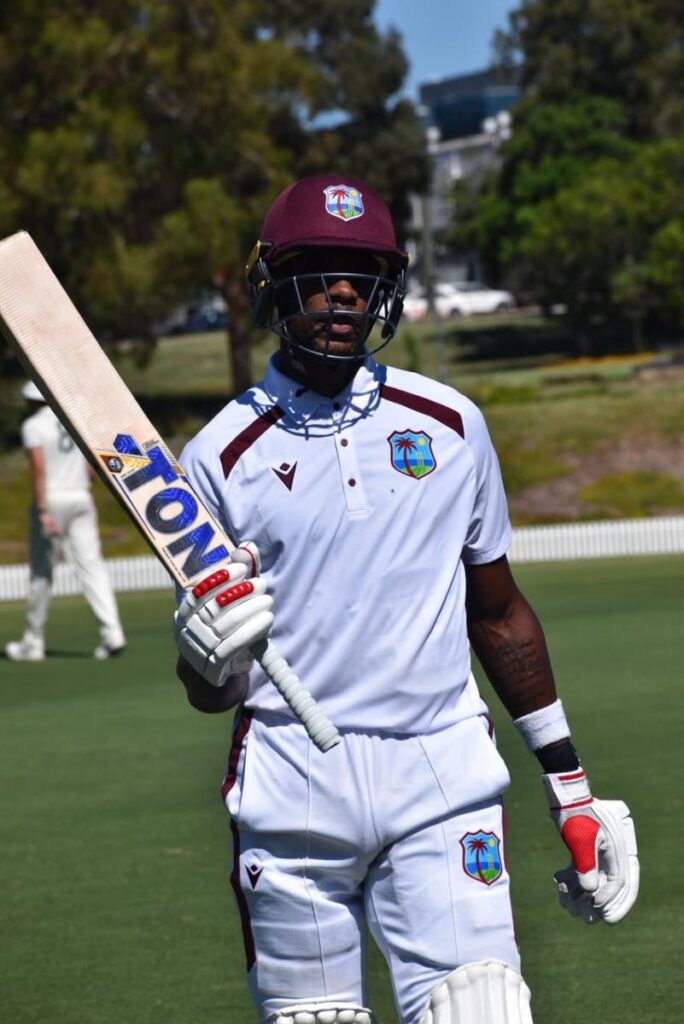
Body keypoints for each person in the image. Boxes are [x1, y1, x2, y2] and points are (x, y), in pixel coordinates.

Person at [172, 175, 639, 1024]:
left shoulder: (451, 424)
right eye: (320, 269)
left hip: (440, 769)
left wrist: (570, 783)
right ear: (273, 282)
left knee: (483, 1008)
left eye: (365, 272)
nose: (345, 291)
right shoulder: (216, 459)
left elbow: (496, 611)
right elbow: (215, 692)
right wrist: (204, 658)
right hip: (291, 783)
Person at [5, 380, 126, 662]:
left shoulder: (33, 426)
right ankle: (112, 634)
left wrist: (43, 509)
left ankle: (32, 642)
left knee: (42, 572)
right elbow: (90, 467)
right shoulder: (72, 421)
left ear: (33, 402)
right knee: (92, 567)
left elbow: (38, 468)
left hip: (53, 500)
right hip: (81, 497)